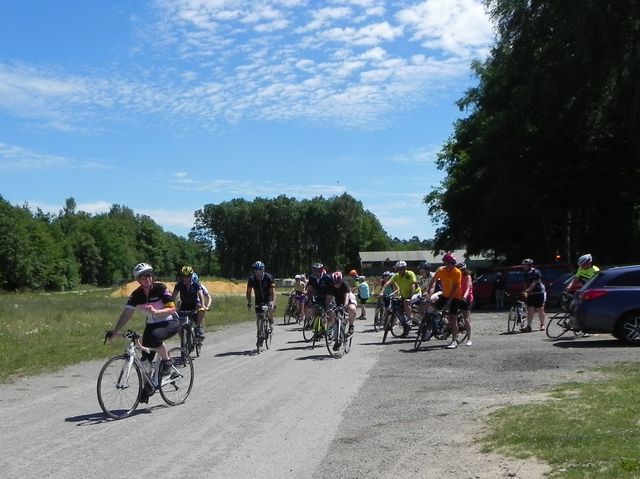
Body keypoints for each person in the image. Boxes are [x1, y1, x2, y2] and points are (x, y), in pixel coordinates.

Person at [105, 262, 180, 403]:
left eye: (150, 275)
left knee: (156, 337)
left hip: (170, 321)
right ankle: (148, 386)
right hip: (151, 325)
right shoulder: (136, 295)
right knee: (145, 360)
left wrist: (157, 311)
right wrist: (115, 331)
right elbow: (126, 314)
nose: (148, 278)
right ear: (138, 280)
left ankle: (167, 362)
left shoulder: (160, 288)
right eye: (144, 277)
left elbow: (172, 308)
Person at [428, 253, 463, 349]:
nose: (452, 265)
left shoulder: (457, 272)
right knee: (433, 309)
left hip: (456, 296)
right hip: (445, 294)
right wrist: (428, 292)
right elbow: (433, 281)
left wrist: (449, 301)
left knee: (453, 317)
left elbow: (455, 288)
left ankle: (454, 340)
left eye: (453, 263)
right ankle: (438, 325)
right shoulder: (440, 270)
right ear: (445, 263)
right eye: (450, 263)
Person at [381, 260, 419, 335]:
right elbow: (388, 283)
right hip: (404, 295)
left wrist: (410, 296)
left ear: (405, 268)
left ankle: (409, 319)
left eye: (401, 268)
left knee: (406, 302)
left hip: (415, 293)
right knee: (398, 306)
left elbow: (413, 285)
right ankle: (406, 327)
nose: (399, 270)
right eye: (397, 269)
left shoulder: (410, 274)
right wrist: (382, 290)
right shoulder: (397, 275)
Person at [246, 260, 276, 350]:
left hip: (268, 298)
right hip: (258, 300)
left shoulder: (269, 277)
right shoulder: (251, 279)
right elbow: (248, 292)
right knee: (258, 317)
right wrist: (249, 302)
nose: (257, 273)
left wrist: (272, 302)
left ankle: (271, 320)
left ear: (263, 270)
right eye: (256, 271)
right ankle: (259, 334)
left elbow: (273, 292)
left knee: (270, 308)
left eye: (259, 271)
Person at [172, 265, 207, 338]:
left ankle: (198, 327)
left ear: (191, 276)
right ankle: (183, 342)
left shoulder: (196, 284)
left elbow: (201, 296)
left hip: (194, 305)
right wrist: (172, 307)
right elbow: (173, 297)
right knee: (179, 326)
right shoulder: (179, 285)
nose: (186, 278)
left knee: (202, 310)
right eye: (184, 276)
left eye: (188, 276)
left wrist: (203, 306)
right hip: (184, 306)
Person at [327, 271, 357, 350]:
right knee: (336, 320)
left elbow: (347, 296)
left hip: (348, 299)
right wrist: (328, 306)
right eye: (335, 283)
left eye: (338, 283)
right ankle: (337, 340)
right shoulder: (331, 286)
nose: (336, 285)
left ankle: (351, 325)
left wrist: (345, 305)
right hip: (338, 300)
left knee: (351, 309)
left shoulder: (344, 284)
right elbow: (329, 297)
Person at [521, 258, 546, 331]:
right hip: (531, 293)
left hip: (539, 292)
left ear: (529, 265)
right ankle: (529, 326)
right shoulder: (525, 273)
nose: (523, 266)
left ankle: (542, 325)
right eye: (523, 265)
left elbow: (534, 283)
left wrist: (527, 291)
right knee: (530, 309)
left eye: (525, 265)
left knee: (540, 309)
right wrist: (525, 291)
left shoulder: (536, 272)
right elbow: (525, 283)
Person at [458, 262, 474, 346]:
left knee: (466, 319)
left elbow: (468, 288)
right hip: (458, 298)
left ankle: (469, 339)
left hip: (467, 299)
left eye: (461, 270)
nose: (460, 271)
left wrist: (464, 296)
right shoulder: (457, 277)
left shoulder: (468, 277)